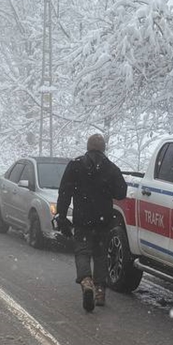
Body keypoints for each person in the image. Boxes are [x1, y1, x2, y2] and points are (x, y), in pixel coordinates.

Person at [55, 133, 127, 312]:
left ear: (87, 147)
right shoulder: (110, 168)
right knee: (101, 254)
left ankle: (86, 281)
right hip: (103, 220)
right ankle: (100, 290)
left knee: (82, 252)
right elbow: (121, 193)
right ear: (103, 149)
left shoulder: (76, 165)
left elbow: (64, 192)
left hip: (82, 219)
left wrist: (62, 216)